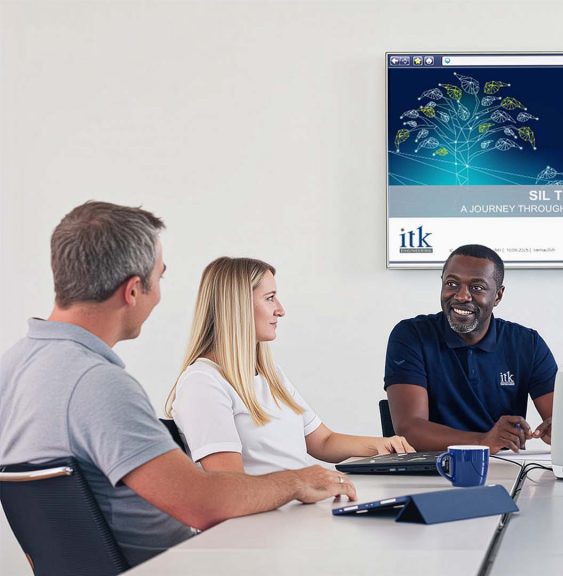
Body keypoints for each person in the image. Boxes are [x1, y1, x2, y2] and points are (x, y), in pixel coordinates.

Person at [0, 202, 353, 567]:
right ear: (133, 290)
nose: (159, 295)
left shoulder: (13, 367)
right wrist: (297, 481)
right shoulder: (98, 383)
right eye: (160, 278)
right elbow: (204, 504)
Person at [166, 257, 414, 475]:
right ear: (238, 306)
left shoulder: (269, 376)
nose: (281, 310)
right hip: (266, 521)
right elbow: (231, 484)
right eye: (270, 298)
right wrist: (308, 481)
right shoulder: (203, 383)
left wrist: (383, 445)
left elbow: (323, 441)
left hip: (296, 509)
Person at [384, 244, 558, 454]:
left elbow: (560, 422)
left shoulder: (527, 343)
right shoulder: (411, 336)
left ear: (498, 296)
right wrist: (482, 441)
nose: (461, 296)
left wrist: (560, 431)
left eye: (477, 287)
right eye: (452, 283)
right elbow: (409, 429)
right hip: (431, 468)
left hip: (503, 468)